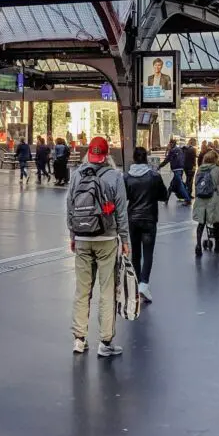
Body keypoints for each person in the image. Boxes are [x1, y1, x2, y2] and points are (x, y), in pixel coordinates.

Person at [67, 136, 130, 358]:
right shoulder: (114, 176)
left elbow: (70, 207)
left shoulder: (76, 175)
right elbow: (121, 212)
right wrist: (125, 241)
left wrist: (73, 234)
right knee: (106, 290)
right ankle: (105, 342)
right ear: (107, 155)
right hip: (106, 240)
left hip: (82, 238)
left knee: (82, 290)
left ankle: (79, 339)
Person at [124, 146, 166, 303]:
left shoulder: (127, 177)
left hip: (133, 218)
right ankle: (144, 283)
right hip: (149, 219)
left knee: (136, 253)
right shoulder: (154, 176)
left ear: (134, 159)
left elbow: (125, 196)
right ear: (146, 158)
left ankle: (135, 284)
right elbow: (164, 195)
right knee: (148, 253)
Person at [193, 150, 219, 257]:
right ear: (215, 159)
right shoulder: (218, 170)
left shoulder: (199, 169)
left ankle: (198, 245)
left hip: (200, 199)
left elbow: (196, 184)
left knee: (201, 223)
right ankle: (218, 246)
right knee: (216, 223)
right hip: (213, 199)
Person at [160, 138, 189, 204]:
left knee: (180, 186)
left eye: (170, 143)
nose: (169, 144)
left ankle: (188, 199)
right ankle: (166, 200)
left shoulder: (172, 150)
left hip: (176, 170)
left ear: (172, 143)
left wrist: (159, 166)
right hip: (180, 169)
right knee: (172, 185)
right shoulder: (179, 150)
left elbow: (167, 160)